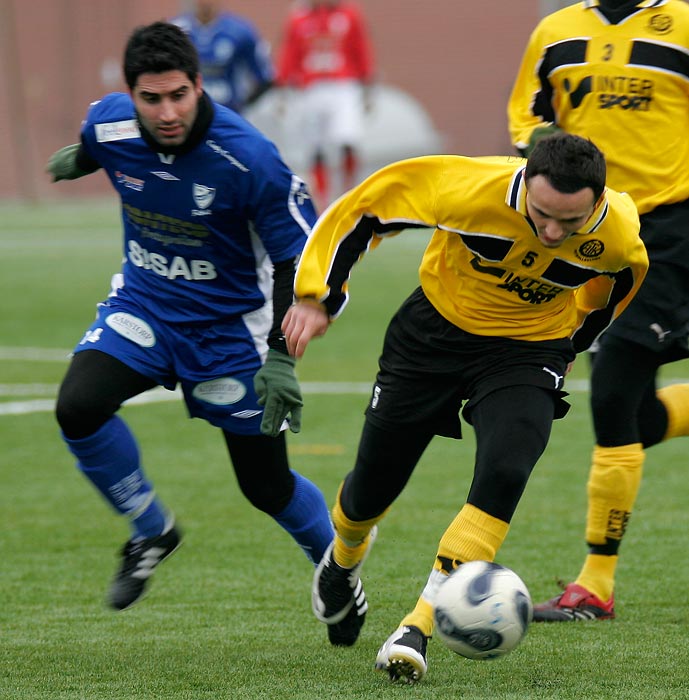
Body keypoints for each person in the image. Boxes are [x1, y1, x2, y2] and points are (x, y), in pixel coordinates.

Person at [282, 133, 648, 683]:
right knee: (370, 490)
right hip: (433, 335)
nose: (551, 233)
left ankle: (418, 624)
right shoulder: (468, 187)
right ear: (526, 183)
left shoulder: (617, 231)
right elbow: (366, 207)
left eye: (568, 224)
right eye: (542, 214)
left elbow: (618, 285)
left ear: (596, 202)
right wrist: (319, 294)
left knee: (506, 467)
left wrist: (572, 343)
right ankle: (345, 555)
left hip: (529, 349)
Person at [44, 21, 366, 645]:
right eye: (151, 98)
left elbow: (303, 259)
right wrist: (85, 156)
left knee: (265, 487)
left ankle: (338, 570)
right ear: (131, 94)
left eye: (179, 96)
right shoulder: (110, 122)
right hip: (145, 306)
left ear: (200, 86)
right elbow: (97, 136)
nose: (166, 112)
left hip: (228, 334)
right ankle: (151, 531)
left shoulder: (249, 159)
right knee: (78, 407)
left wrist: (280, 355)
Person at [508, 0, 689, 621]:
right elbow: (527, 117)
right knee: (633, 409)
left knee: (612, 397)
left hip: (670, 233)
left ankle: (596, 584)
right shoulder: (556, 31)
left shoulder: (684, 22)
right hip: (593, 238)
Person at [275, 0, 375, 210]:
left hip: (343, 85)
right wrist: (283, 89)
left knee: (348, 139)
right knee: (316, 146)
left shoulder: (348, 15)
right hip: (311, 88)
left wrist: (367, 85)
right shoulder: (299, 18)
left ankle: (350, 191)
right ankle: (323, 200)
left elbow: (360, 47)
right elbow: (290, 53)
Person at [171, 0, 274, 113]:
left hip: (228, 112)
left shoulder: (241, 31)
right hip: (188, 114)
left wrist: (245, 105)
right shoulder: (176, 30)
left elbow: (264, 76)